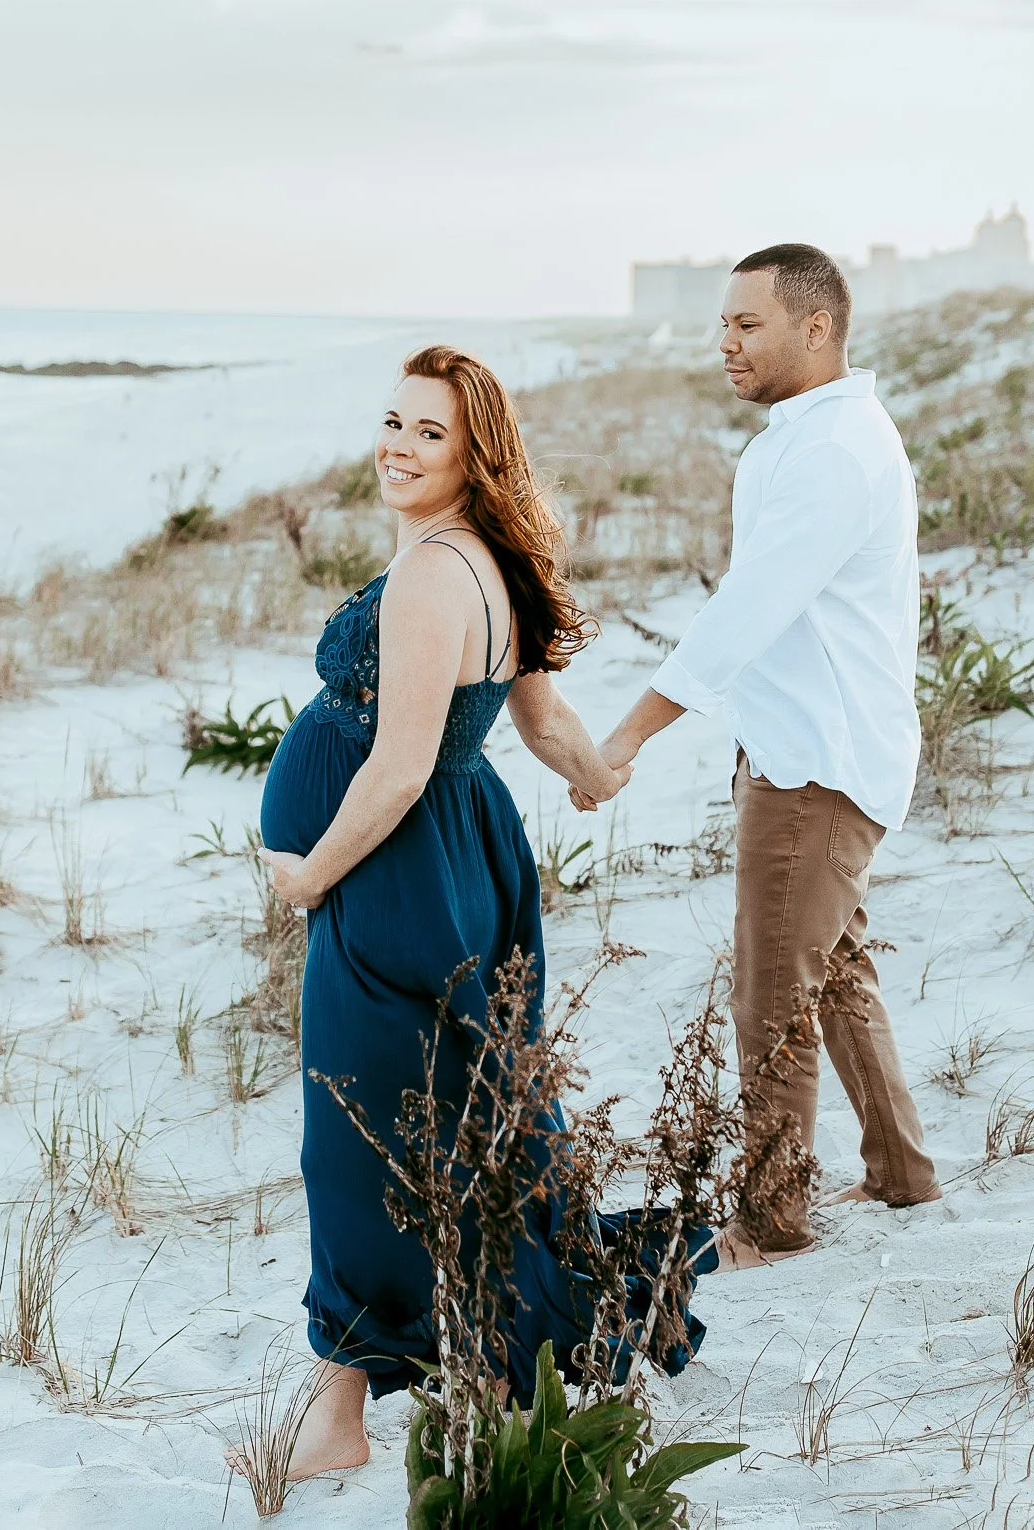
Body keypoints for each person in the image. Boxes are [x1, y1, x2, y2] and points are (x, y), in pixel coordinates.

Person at [231, 345, 715, 1490]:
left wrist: (308, 879)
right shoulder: (484, 559)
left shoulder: (432, 575)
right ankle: (458, 1362)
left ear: (473, 452)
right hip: (458, 850)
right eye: (390, 421)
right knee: (451, 1109)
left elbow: (398, 766)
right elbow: (539, 719)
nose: (396, 446)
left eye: (427, 432)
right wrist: (596, 771)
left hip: (395, 863)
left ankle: (347, 1401)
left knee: (358, 1135)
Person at [586, 243, 941, 1267]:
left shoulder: (832, 452)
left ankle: (772, 1220)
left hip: (817, 764)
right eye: (723, 326)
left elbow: (745, 610)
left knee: (772, 989)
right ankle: (901, 1171)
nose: (726, 344)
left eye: (748, 325)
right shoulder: (811, 436)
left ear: (815, 328)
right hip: (813, 746)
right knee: (830, 970)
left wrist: (629, 732)